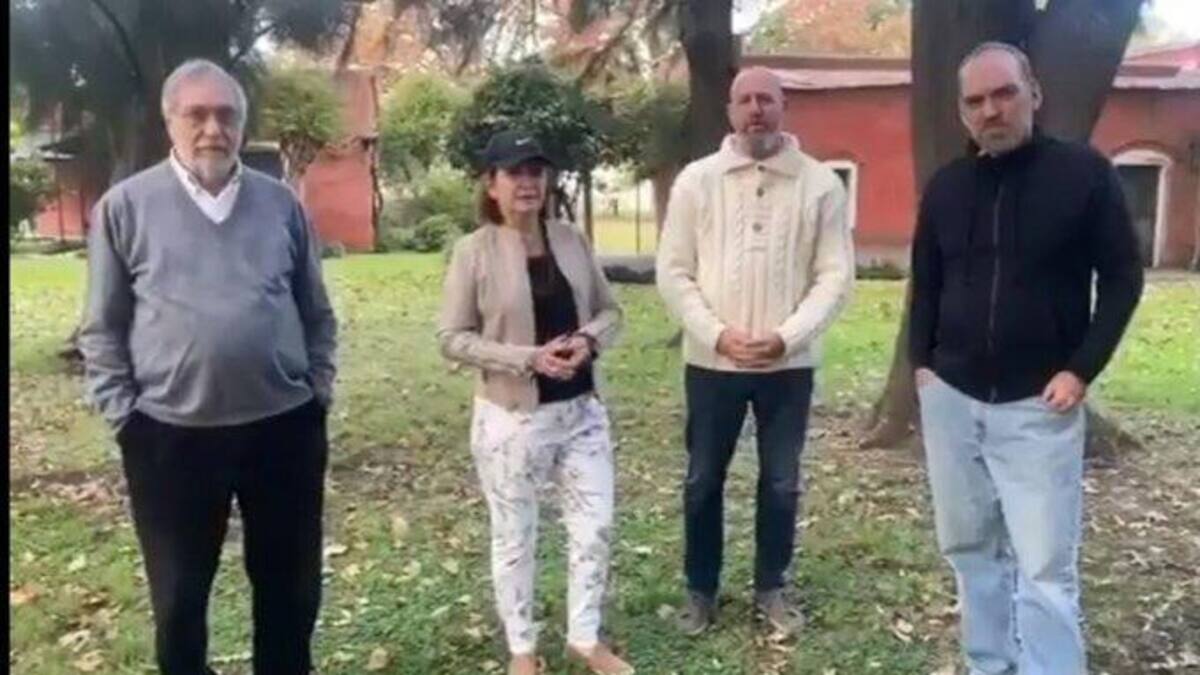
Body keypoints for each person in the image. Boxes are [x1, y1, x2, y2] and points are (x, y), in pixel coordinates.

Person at [78, 59, 337, 675]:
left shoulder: (281, 205)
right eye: (197, 115)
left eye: (227, 115)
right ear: (170, 120)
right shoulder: (125, 208)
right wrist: (126, 418)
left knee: (290, 592)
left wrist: (317, 390)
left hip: (283, 429)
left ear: (242, 124)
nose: (213, 129)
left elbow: (316, 312)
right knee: (179, 600)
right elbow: (102, 327)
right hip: (170, 438)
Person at [909, 42, 1143, 675]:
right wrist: (921, 366)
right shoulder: (947, 187)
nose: (991, 110)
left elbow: (1123, 277)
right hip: (952, 398)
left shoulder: (1084, 174)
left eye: (1004, 93)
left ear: (1033, 93)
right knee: (969, 550)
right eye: (976, 101)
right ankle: (990, 664)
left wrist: (1081, 368)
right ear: (962, 113)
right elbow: (925, 281)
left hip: (1040, 402)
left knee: (1044, 567)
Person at [656, 66, 855, 637]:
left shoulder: (820, 184)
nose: (755, 110)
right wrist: (717, 334)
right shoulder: (697, 181)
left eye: (766, 99)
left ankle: (771, 588)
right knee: (703, 480)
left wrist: (786, 337)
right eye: (744, 100)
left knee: (781, 482)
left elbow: (835, 276)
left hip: (787, 368)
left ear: (783, 106)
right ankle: (701, 591)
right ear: (730, 111)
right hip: (711, 364)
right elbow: (674, 271)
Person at [437, 129, 633, 675]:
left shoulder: (571, 240)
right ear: (491, 184)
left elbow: (611, 311)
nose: (527, 182)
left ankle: (585, 638)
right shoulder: (473, 252)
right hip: (511, 419)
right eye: (514, 172)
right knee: (515, 536)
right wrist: (527, 358)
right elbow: (452, 337)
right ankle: (522, 650)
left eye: (536, 172)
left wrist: (588, 340)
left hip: (581, 413)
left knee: (594, 527)